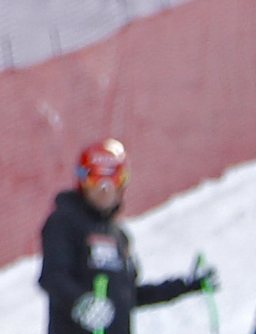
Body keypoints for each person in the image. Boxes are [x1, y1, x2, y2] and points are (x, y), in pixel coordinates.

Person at [38, 139, 214, 334]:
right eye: (94, 178)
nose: (103, 189)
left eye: (112, 180)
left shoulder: (118, 235)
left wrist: (186, 285)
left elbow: (128, 296)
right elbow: (52, 277)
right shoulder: (64, 222)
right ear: (81, 181)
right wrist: (81, 303)